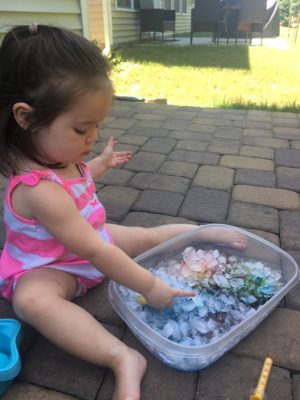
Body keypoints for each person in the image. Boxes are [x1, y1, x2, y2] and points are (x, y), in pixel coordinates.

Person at [0, 25, 247, 400]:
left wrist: (98, 165)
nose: (93, 136)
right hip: (52, 267)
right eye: (82, 127)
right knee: (32, 302)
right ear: (26, 118)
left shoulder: (58, 154)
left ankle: (201, 231)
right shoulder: (38, 190)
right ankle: (121, 357)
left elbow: (78, 185)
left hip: (90, 240)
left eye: (97, 125)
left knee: (145, 236)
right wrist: (150, 286)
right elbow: (96, 252)